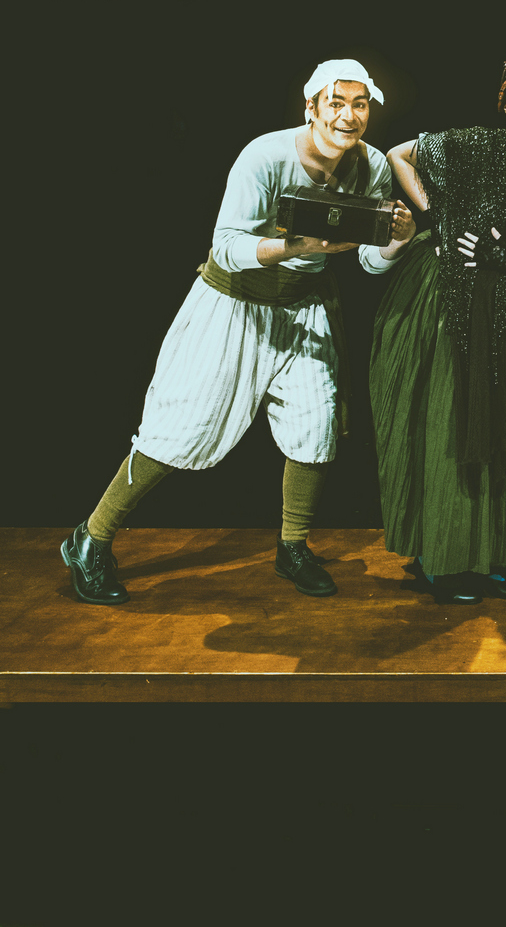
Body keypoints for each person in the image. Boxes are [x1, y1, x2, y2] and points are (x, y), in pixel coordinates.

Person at [60, 58, 416, 606]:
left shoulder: (370, 166)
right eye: (336, 103)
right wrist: (293, 247)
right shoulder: (265, 156)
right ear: (311, 107)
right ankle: (91, 537)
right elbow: (225, 246)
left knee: (315, 427)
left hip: (304, 307)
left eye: (360, 104)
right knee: (179, 429)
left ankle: (292, 546)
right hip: (233, 303)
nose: (348, 116)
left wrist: (398, 239)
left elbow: (368, 261)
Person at [370, 51, 506, 606]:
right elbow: (398, 154)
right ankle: (444, 558)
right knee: (451, 425)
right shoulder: (475, 144)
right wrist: (439, 213)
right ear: (505, 101)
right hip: (449, 301)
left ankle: (493, 556)